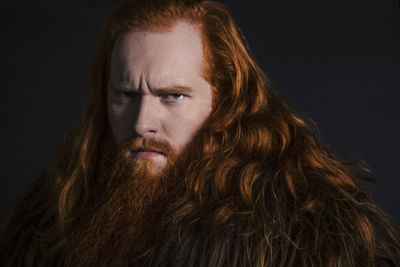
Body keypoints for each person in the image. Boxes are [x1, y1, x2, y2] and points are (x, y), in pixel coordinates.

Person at [1, 0, 399, 266]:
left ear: (223, 99)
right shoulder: (51, 219)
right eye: (124, 94)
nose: (141, 123)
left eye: (172, 96)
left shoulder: (305, 232)